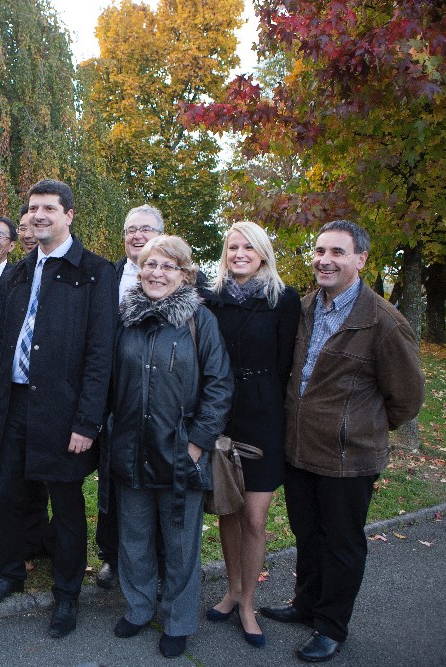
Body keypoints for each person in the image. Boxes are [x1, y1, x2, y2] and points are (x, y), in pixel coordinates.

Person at [261, 220, 424, 663]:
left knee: (342, 543)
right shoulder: (306, 307)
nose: (324, 260)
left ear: (361, 259)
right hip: (299, 450)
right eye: (319, 251)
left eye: (337, 252)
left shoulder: (383, 322)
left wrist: (359, 427)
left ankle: (331, 626)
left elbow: (406, 397)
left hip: (349, 458)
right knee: (306, 533)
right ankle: (305, 604)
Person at [0, 179, 116, 639]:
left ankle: (67, 594)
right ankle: (11, 572)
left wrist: (87, 421)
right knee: (6, 492)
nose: (39, 215)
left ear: (68, 215)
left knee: (66, 502)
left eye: (49, 208)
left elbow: (101, 354)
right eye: (33, 208)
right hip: (12, 403)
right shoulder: (16, 273)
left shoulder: (95, 272)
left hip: (64, 410)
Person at [107, 235, 233, 658]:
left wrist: (197, 444)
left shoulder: (200, 320)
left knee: (180, 544)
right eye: (150, 265)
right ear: (139, 270)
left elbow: (219, 386)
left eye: (167, 266)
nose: (156, 273)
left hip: (180, 451)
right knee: (135, 536)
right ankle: (140, 607)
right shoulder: (125, 318)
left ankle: (178, 619)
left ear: (184, 273)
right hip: (130, 447)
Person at [201, 221, 301, 648]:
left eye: (248, 247)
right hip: (223, 411)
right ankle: (232, 590)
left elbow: (285, 365)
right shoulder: (213, 300)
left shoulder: (284, 300)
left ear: (263, 252)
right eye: (232, 247)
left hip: (263, 414)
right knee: (227, 507)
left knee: (254, 517)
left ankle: (248, 603)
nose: (239, 253)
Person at [97, 204, 167, 591]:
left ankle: (156, 561)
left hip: (159, 402)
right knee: (112, 479)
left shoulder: (184, 281)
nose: (137, 236)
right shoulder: (104, 277)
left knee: (153, 481)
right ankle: (112, 556)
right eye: (131, 230)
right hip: (112, 398)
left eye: (146, 229)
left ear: (161, 233)